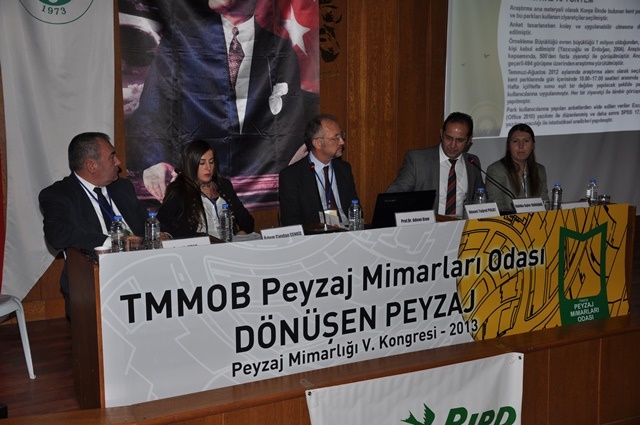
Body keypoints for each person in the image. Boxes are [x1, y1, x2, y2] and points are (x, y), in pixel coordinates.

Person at [125, 0, 315, 208]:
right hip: (193, 190)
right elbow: (150, 115)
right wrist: (154, 161)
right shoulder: (181, 43)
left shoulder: (279, 48)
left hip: (260, 194)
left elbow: (289, 122)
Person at [39, 132, 149, 317]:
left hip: (141, 271)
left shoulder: (123, 187)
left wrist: (162, 235)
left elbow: (147, 223)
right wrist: (111, 242)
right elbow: (56, 234)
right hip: (93, 279)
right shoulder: (59, 194)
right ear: (91, 165)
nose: (118, 162)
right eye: (112, 156)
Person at [386, 112, 484, 216]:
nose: (453, 145)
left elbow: (480, 197)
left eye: (460, 140)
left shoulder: (472, 162)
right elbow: (394, 193)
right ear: (441, 133)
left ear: (469, 140)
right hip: (427, 225)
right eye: (448, 138)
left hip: (461, 224)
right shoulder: (417, 160)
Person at [157, 140, 254, 239]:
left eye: (211, 162)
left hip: (228, 245)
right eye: (202, 163)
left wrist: (239, 236)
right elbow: (161, 222)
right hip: (198, 247)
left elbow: (247, 220)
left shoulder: (224, 185)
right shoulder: (178, 190)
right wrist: (166, 236)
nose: (208, 168)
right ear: (191, 165)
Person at [279, 114, 359, 228]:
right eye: (335, 138)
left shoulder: (344, 169)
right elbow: (291, 221)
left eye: (341, 136)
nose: (342, 142)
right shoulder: (291, 175)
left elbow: (356, 208)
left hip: (348, 231)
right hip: (315, 234)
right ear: (317, 143)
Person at [485, 123, 549, 213]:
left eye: (526, 141)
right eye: (515, 141)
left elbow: (545, 204)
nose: (521, 146)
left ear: (533, 145)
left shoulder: (539, 170)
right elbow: (497, 208)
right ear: (508, 145)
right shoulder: (496, 170)